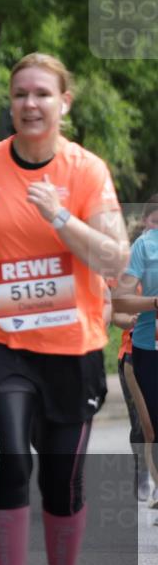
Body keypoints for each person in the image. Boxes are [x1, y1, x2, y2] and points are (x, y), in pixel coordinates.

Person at [0, 53, 129, 565]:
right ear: (11, 102)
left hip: (70, 348)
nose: (30, 104)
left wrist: (60, 217)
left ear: (64, 103)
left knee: (62, 480)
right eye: (21, 94)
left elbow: (114, 255)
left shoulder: (87, 170)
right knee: (9, 467)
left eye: (43, 94)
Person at [114, 193, 158, 508]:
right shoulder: (138, 253)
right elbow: (116, 304)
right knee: (146, 426)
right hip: (139, 350)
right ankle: (147, 476)